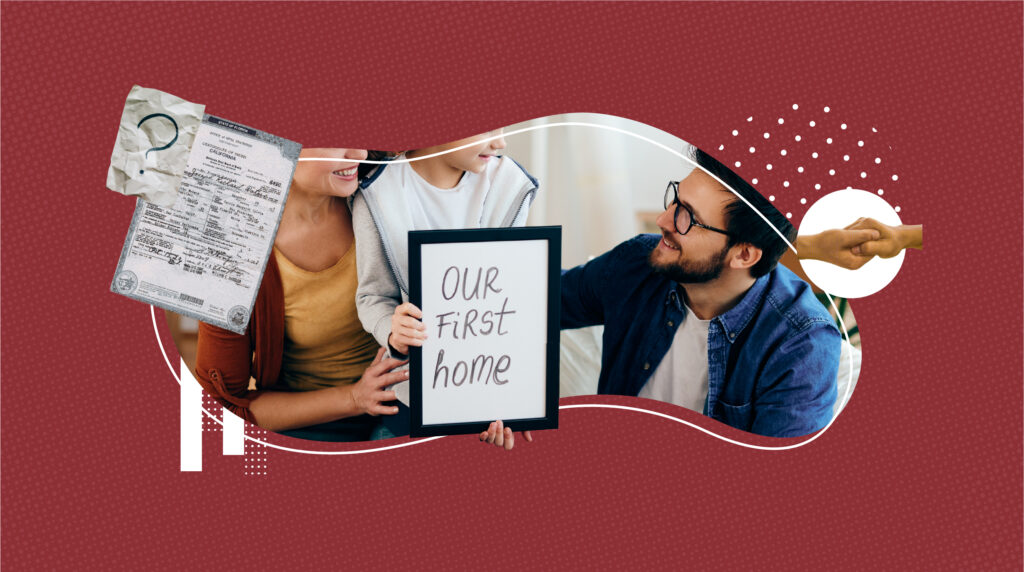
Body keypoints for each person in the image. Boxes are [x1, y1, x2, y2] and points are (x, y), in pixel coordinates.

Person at [559, 146, 842, 438]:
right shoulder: (637, 263)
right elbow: (536, 300)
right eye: (675, 200)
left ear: (744, 255)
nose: (663, 220)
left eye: (687, 217)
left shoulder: (802, 344)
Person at [194, 148, 408, 442]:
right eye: (334, 140)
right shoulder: (231, 254)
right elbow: (225, 406)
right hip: (314, 425)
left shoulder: (386, 192)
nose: (358, 153)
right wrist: (354, 398)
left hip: (408, 405)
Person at [351, 130, 540, 444]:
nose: (501, 143)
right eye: (488, 129)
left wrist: (516, 396)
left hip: (485, 389)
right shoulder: (377, 194)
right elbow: (373, 296)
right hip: (411, 397)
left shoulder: (508, 186)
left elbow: (510, 301)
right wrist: (393, 331)